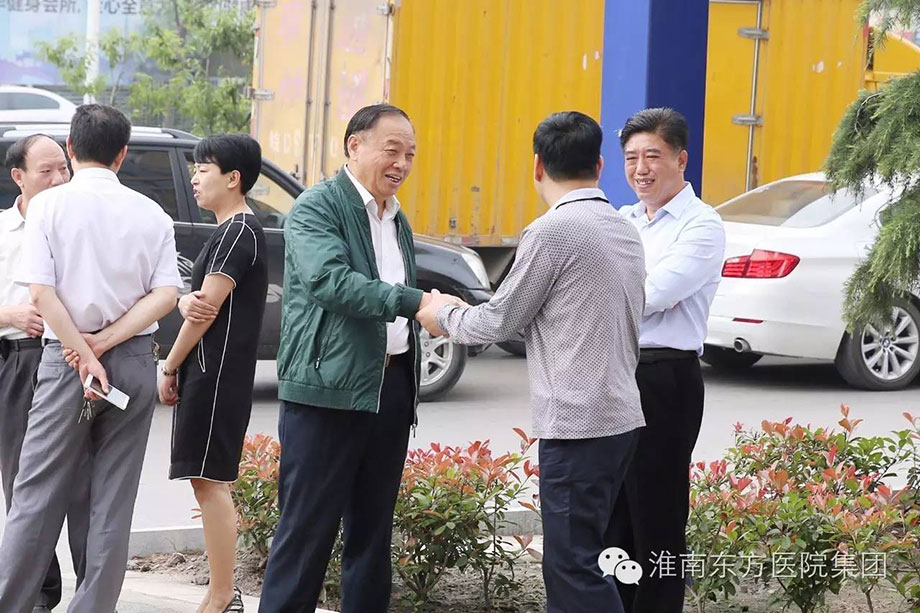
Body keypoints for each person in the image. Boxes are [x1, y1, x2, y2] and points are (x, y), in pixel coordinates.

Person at [417, 111, 647, 613]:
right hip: (620, 419)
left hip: (578, 426)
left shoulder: (552, 231)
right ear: (600, 165)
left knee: (573, 566)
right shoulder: (624, 228)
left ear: (538, 165)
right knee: (585, 558)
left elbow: (498, 321)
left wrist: (441, 313)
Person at [259, 104, 448, 613]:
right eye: (392, 150)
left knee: (372, 533)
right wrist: (416, 302)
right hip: (327, 392)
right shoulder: (317, 207)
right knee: (306, 533)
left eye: (410, 154)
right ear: (354, 145)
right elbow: (332, 282)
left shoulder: (396, 217)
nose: (402, 163)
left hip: (390, 389)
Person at [0, 104, 183, 613]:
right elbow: (166, 295)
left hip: (66, 361)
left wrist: (84, 351)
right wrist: (104, 344)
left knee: (35, 494)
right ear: (122, 154)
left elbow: (41, 293)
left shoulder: (48, 208)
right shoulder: (152, 213)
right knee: (113, 500)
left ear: (71, 148)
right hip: (134, 361)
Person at [611, 107, 726, 613]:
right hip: (616, 369)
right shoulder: (622, 220)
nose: (641, 169)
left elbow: (652, 294)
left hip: (664, 377)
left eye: (652, 156)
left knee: (657, 512)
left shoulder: (702, 226)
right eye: (631, 158)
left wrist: (594, 297)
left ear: (681, 159)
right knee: (614, 511)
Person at [156, 133, 268, 613]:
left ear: (233, 178)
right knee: (208, 481)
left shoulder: (238, 231)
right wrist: (186, 300)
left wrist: (169, 365)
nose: (195, 178)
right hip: (213, 372)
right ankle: (221, 593)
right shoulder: (231, 231)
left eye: (203, 169)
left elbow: (205, 311)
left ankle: (223, 595)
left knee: (209, 481)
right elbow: (198, 302)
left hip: (216, 374)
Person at [0, 134, 89, 612]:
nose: (58, 179)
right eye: (46, 171)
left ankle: (93, 592)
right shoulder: (2, 230)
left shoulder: (81, 221)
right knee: (22, 480)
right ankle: (38, 593)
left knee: (84, 481)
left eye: (63, 169)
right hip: (18, 359)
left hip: (76, 355)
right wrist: (10, 314)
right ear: (19, 176)